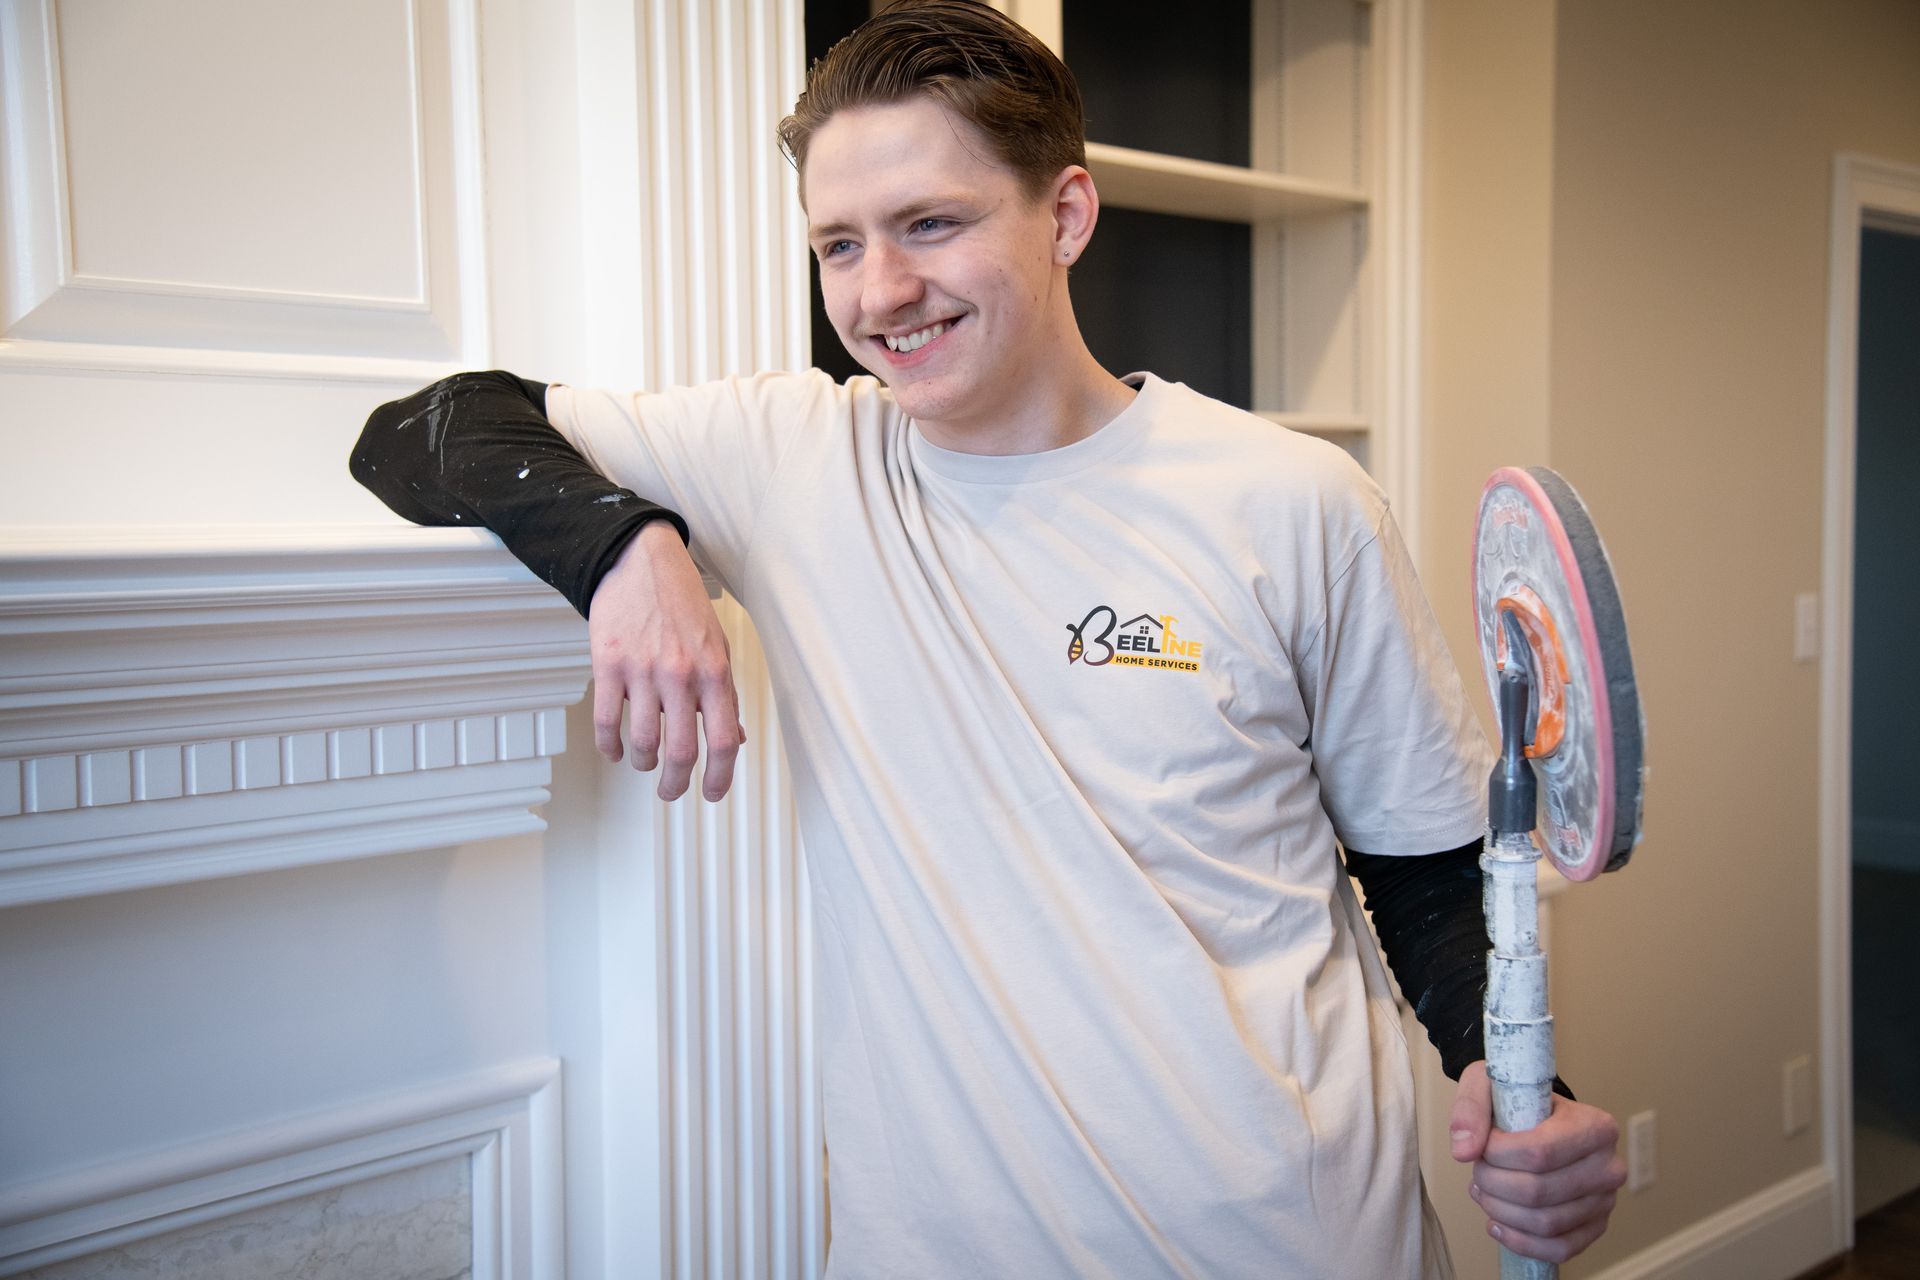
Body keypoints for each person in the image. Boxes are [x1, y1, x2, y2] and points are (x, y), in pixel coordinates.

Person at [352, 3, 1624, 1275]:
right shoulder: (800, 458)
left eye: (931, 224)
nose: (880, 290)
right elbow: (423, 431)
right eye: (838, 243)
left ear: (1065, 215)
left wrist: (1520, 1086)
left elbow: (1427, 868)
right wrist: (626, 546)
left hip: (1287, 1236)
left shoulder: (1294, 501)